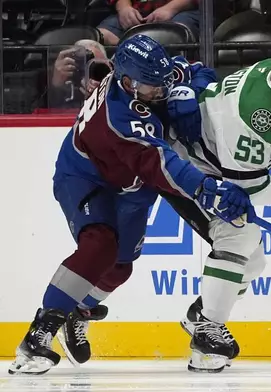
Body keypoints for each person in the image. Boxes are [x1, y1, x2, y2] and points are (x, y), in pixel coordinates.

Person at [8, 34, 253, 376]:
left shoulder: (150, 76)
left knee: (120, 267)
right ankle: (39, 334)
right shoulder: (119, 116)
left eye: (163, 83)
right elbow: (161, 163)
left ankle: (79, 311)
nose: (161, 91)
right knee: (100, 244)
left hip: (131, 186)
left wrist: (187, 89)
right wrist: (206, 188)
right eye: (153, 87)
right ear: (128, 82)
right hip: (85, 176)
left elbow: (200, 72)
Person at [162, 27, 271, 373]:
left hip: (216, 165)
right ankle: (206, 335)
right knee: (240, 237)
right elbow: (250, 187)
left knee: (253, 263)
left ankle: (201, 315)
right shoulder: (255, 111)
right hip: (184, 166)